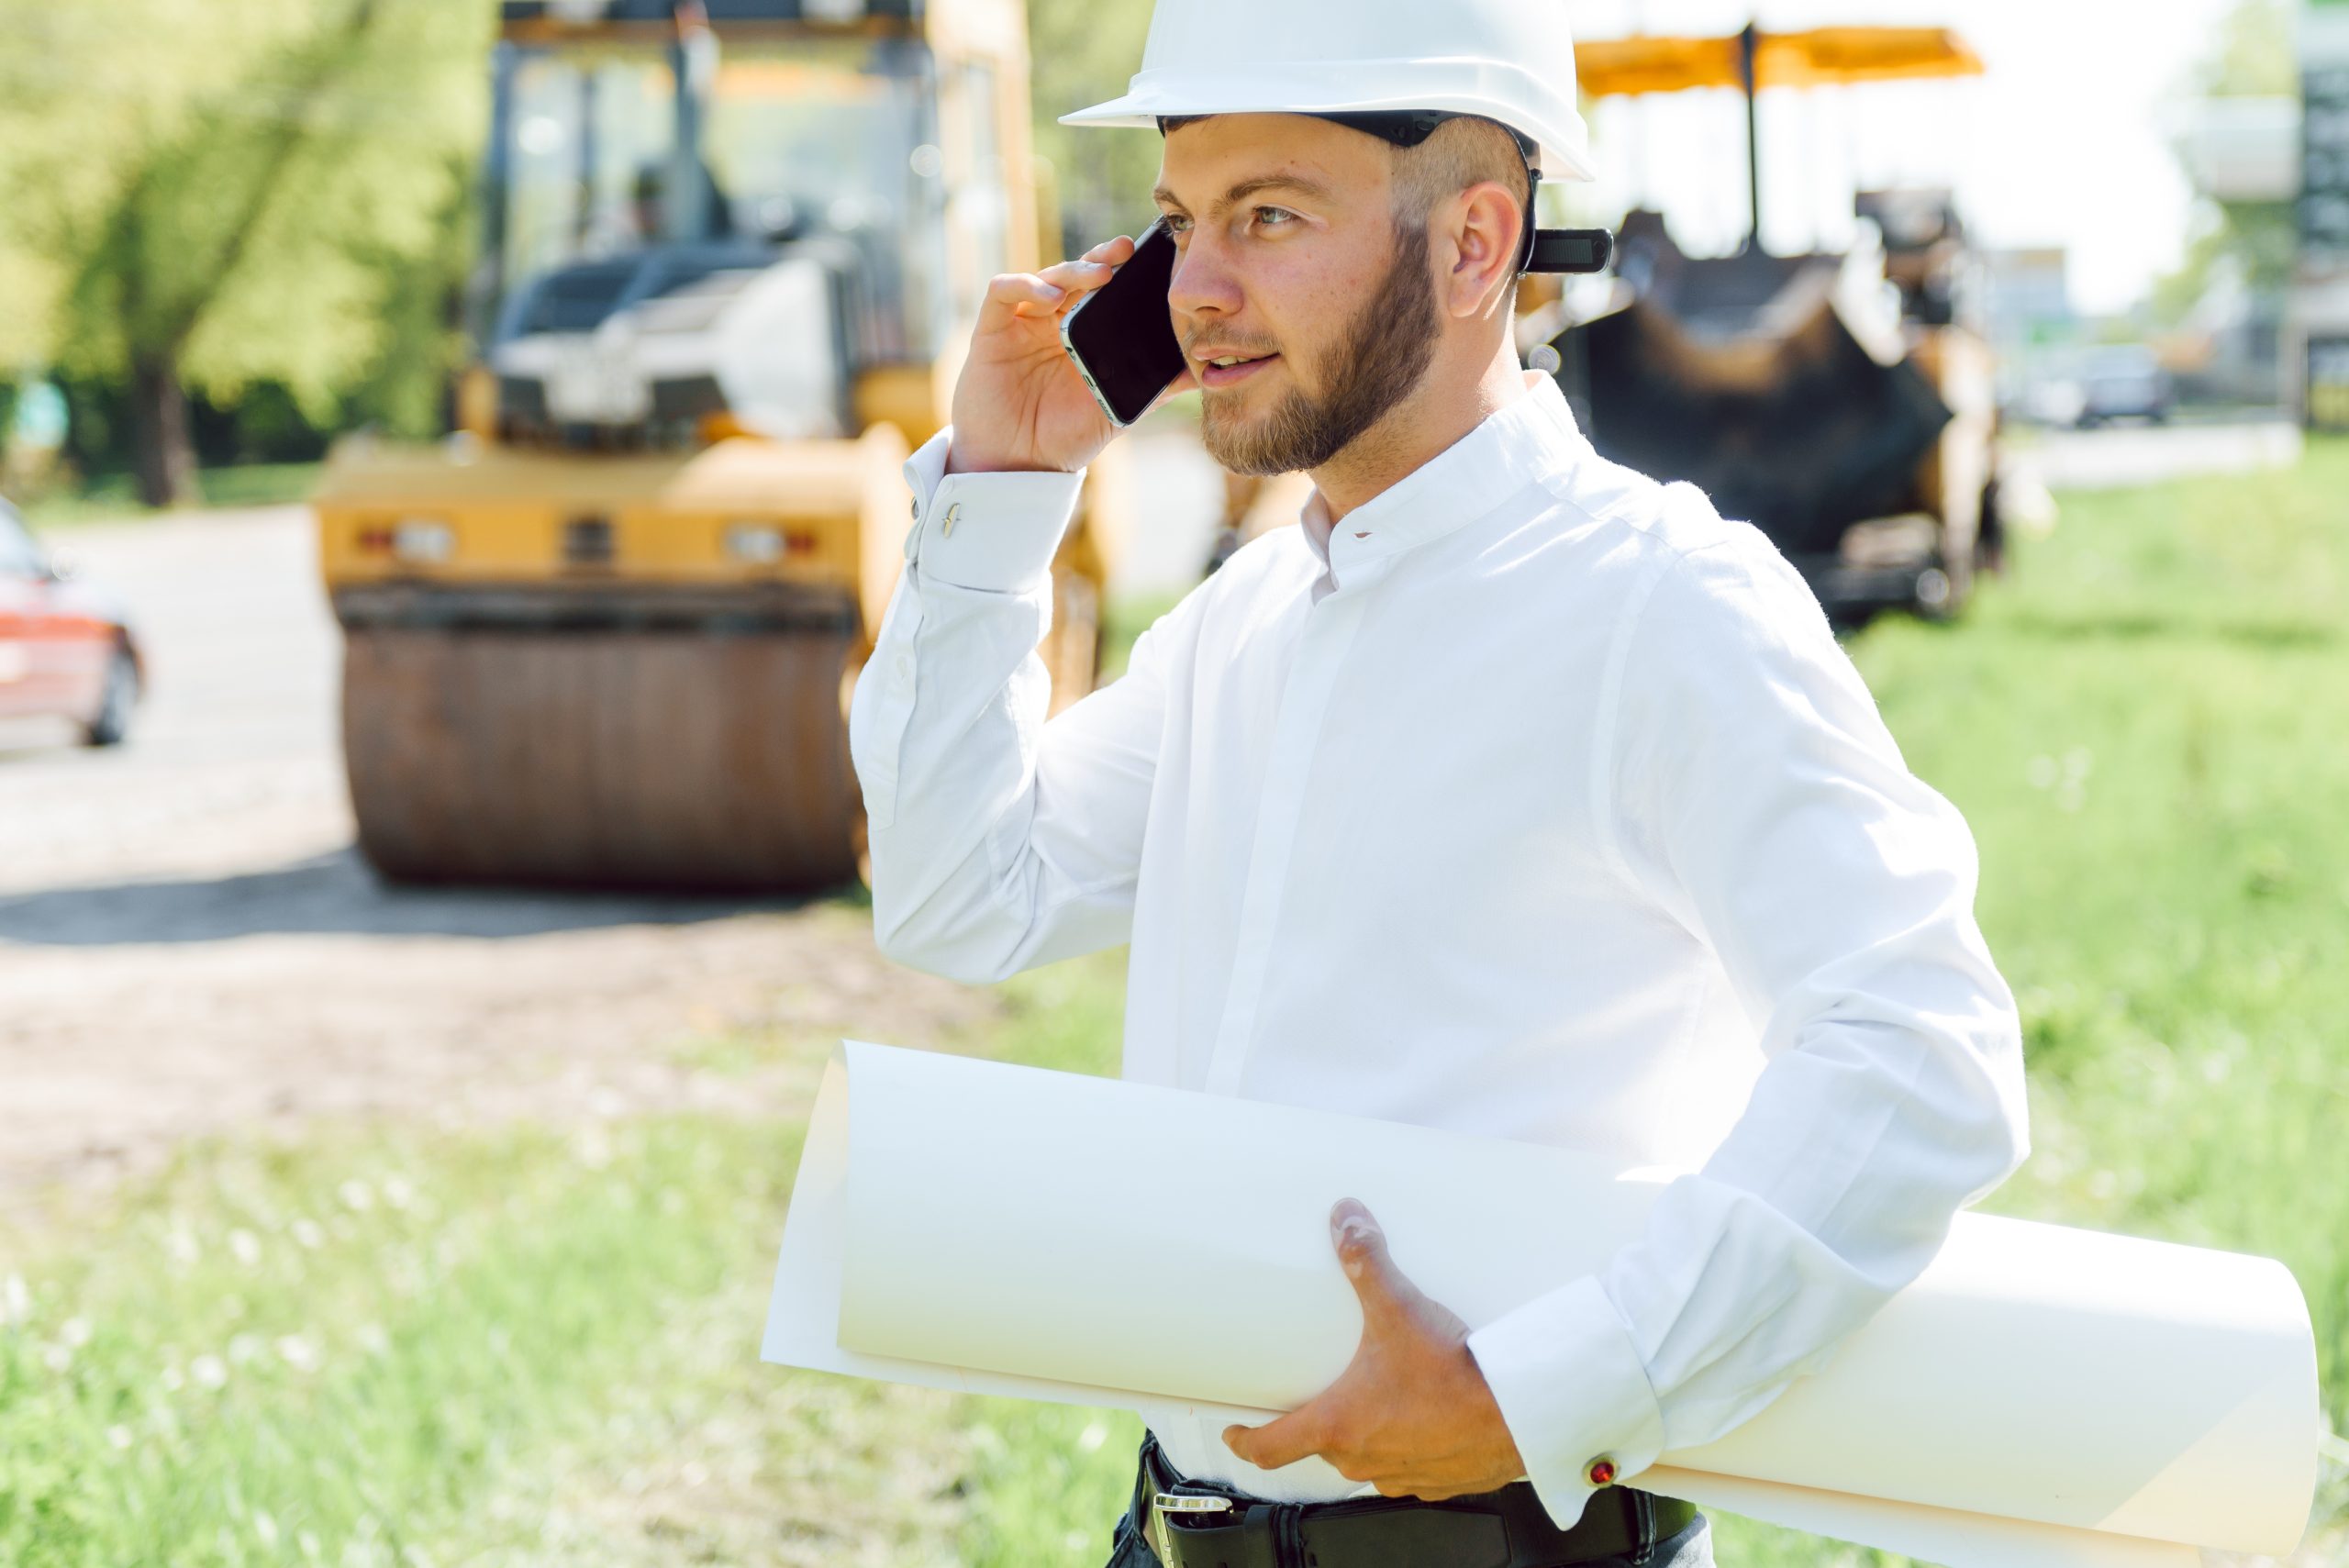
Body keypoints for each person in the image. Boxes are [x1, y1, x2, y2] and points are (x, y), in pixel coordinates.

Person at [849, 2, 2030, 1563]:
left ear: (1477, 246)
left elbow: (1919, 1055)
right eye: (1179, 224)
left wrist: (1542, 1391)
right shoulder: (1242, 629)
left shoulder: (1661, 607)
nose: (1196, 290)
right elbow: (953, 898)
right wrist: (998, 494)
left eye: (1268, 217)